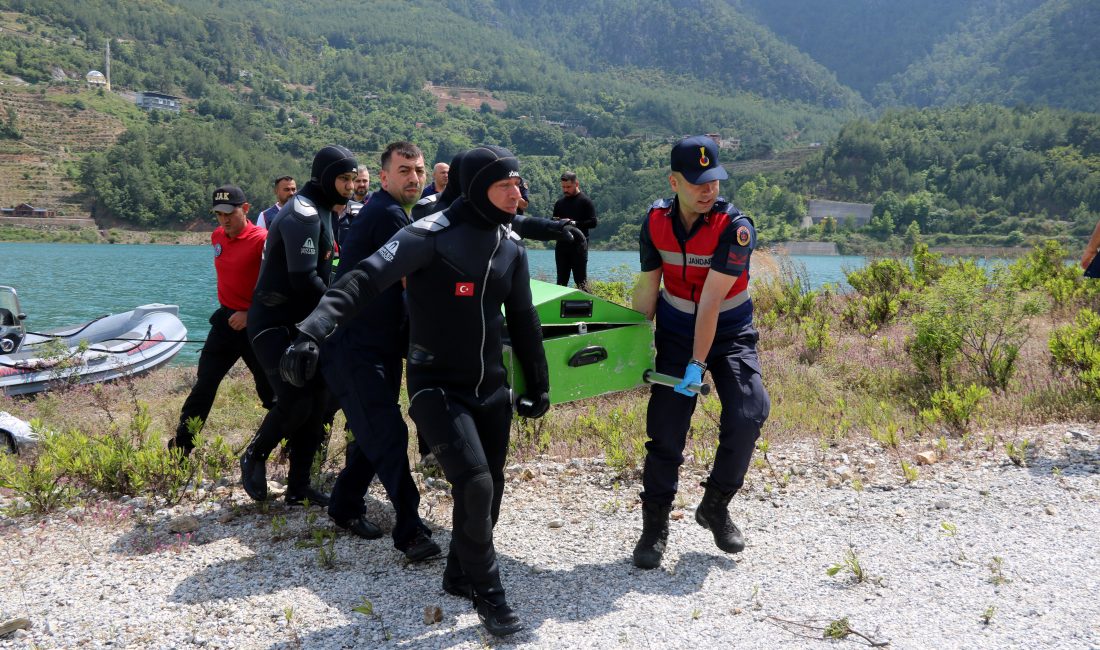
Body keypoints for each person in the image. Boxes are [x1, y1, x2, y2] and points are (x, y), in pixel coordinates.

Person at [280, 145, 550, 637]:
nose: (518, 193)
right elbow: (362, 279)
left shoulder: (510, 245)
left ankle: (457, 573)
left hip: (492, 388)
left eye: (518, 183)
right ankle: (491, 595)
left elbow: (526, 320)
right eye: (505, 184)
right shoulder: (428, 235)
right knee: (474, 482)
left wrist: (539, 383)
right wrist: (311, 331)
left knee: (492, 488)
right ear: (474, 187)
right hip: (436, 386)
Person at [630, 135, 771, 570]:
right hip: (674, 329)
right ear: (674, 182)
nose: (708, 189)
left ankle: (715, 505)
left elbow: (711, 303)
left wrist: (697, 364)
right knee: (667, 430)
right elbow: (648, 287)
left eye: (714, 180)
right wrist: (631, 344)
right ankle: (654, 526)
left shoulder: (735, 228)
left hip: (728, 329)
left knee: (750, 410)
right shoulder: (654, 222)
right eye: (697, 182)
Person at [310, 141, 440, 561]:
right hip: (352, 344)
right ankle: (410, 529)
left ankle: (344, 504)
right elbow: (413, 284)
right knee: (388, 431)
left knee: (372, 432)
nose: (415, 178)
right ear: (383, 178)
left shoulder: (399, 213)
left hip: (375, 343)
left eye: (419, 170)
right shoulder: (386, 214)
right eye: (404, 170)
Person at [240, 145, 358, 506]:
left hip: (304, 321)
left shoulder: (324, 209)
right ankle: (254, 455)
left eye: (353, 179)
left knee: (319, 400)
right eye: (343, 179)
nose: (350, 187)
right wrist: (340, 313)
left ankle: (299, 485)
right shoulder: (303, 214)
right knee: (294, 398)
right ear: (324, 178)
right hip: (273, 321)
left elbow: (323, 273)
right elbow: (304, 280)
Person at [168, 185, 274, 455]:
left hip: (256, 324)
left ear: (246, 209)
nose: (224, 220)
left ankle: (285, 446)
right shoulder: (217, 236)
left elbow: (278, 286)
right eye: (218, 214)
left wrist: (250, 313)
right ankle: (182, 448)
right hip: (225, 323)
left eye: (230, 213)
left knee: (270, 393)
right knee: (204, 384)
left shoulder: (263, 239)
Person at [552, 171, 597, 291]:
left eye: (568, 187)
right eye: (563, 187)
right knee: (561, 282)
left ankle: (588, 307)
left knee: (581, 282)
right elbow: (554, 222)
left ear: (576, 184)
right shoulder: (559, 203)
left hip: (579, 247)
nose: (565, 190)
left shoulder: (585, 202)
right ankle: (558, 308)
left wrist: (574, 223)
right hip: (561, 246)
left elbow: (593, 222)